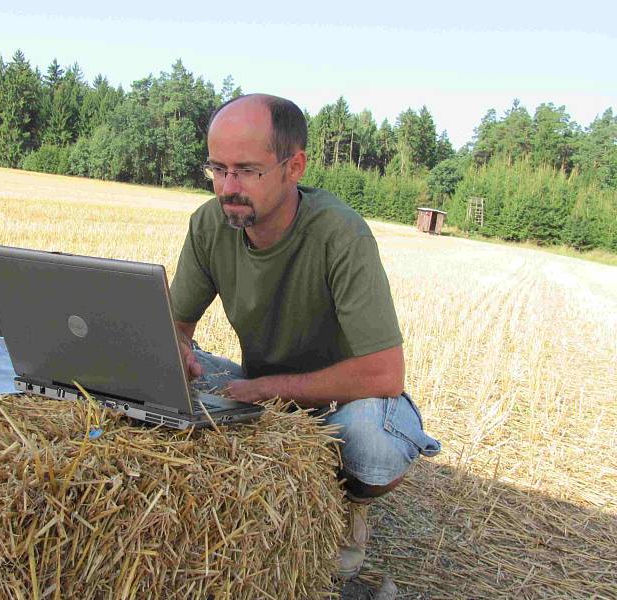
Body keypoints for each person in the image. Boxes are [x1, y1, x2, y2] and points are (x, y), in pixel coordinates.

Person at [169, 93, 440, 580]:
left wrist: (263, 389)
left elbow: (384, 373)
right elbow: (175, 326)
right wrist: (178, 351)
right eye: (218, 168)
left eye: (246, 170)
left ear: (294, 167)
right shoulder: (210, 224)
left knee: (373, 447)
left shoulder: (341, 235)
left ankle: (351, 502)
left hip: (347, 401)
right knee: (153, 369)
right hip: (259, 386)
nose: (227, 187)